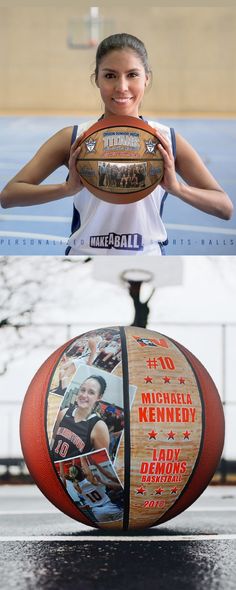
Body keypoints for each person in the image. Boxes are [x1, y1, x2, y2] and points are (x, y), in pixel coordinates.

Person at [0, 33, 233, 255]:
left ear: (147, 78)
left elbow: (224, 208)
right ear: (97, 79)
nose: (122, 87)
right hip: (85, 256)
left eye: (132, 75)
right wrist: (66, 189)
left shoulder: (166, 139)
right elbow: (9, 196)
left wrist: (178, 188)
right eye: (110, 75)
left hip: (147, 256)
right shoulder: (73, 138)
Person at [50, 375, 109, 460]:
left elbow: (102, 463)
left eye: (91, 392)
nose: (84, 395)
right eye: (83, 390)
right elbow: (53, 439)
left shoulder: (99, 426)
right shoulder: (64, 413)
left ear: (99, 397)